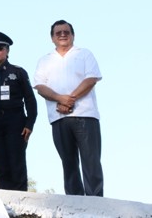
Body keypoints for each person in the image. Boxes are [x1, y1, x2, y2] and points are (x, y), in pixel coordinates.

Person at [34, 20, 103, 196]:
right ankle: (74, 202)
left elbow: (91, 79)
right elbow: (40, 86)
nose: (63, 35)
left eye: (66, 32)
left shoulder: (84, 54)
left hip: (85, 114)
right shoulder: (45, 60)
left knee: (91, 161)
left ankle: (95, 201)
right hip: (59, 118)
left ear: (73, 35)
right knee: (68, 162)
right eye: (58, 33)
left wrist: (70, 100)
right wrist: (59, 99)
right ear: (52, 38)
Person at [0, 31, 37, 191]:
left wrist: (29, 124)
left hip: (14, 123)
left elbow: (30, 100)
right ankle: (4, 200)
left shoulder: (18, 72)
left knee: (16, 163)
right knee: (0, 166)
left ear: (7, 50)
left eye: (0, 48)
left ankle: (21, 200)